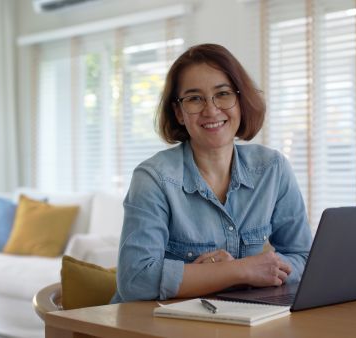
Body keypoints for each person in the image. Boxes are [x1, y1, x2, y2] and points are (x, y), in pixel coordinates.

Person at [111, 43, 312, 303]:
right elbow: (135, 280)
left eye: (223, 94)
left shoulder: (273, 169)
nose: (211, 109)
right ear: (179, 113)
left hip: (236, 320)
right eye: (194, 98)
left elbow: (305, 258)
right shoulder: (153, 179)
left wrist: (243, 273)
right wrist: (240, 270)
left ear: (240, 101)